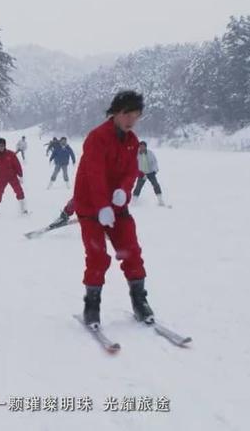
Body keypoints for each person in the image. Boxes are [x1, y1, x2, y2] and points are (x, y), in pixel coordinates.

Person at [73, 90, 154, 327]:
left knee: (131, 251)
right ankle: (92, 305)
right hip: (90, 207)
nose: (131, 120)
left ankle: (139, 300)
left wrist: (124, 191)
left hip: (117, 208)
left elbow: (131, 172)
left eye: (136, 115)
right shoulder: (96, 137)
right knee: (98, 256)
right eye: (127, 114)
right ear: (116, 113)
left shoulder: (133, 142)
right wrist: (101, 206)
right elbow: (93, 174)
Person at [0, 138, 27, 215]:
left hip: (12, 176)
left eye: (2, 145)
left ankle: (23, 208)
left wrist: (20, 175)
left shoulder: (11, 154)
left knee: (19, 191)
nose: (1, 147)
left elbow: (17, 165)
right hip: (2, 178)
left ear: (5, 145)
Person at [133, 141, 166, 206]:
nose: (142, 148)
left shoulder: (150, 153)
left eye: (143, 146)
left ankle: (160, 200)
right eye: (140, 146)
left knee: (156, 185)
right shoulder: (136, 154)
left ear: (145, 147)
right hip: (141, 173)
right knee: (138, 187)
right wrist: (138, 173)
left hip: (150, 173)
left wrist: (154, 171)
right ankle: (134, 201)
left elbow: (154, 162)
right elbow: (134, 165)